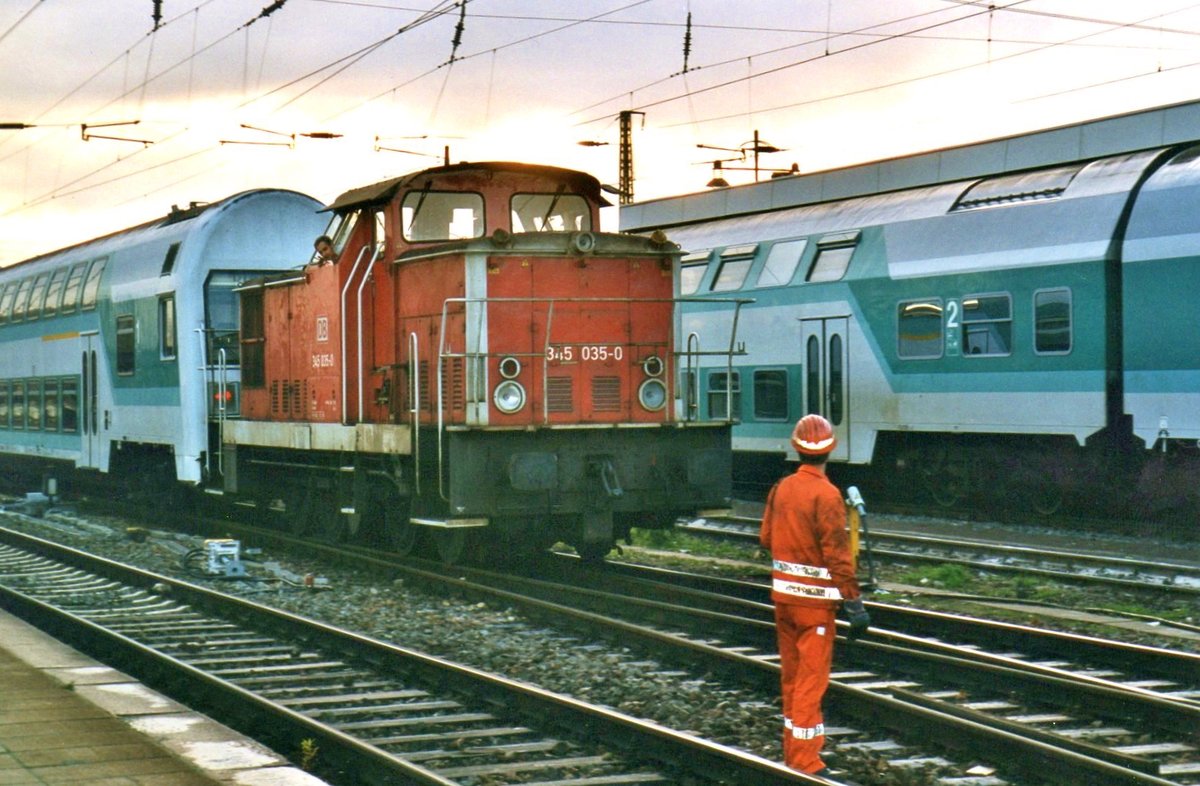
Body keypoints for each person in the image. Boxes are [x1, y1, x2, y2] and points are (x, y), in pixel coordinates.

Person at [759, 413, 870, 778]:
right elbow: (837, 556)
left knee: (792, 680)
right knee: (811, 683)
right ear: (830, 450)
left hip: (783, 601)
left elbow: (765, 539)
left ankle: (794, 754)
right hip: (815, 608)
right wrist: (854, 603)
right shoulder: (827, 494)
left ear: (797, 448)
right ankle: (806, 762)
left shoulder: (780, 488)